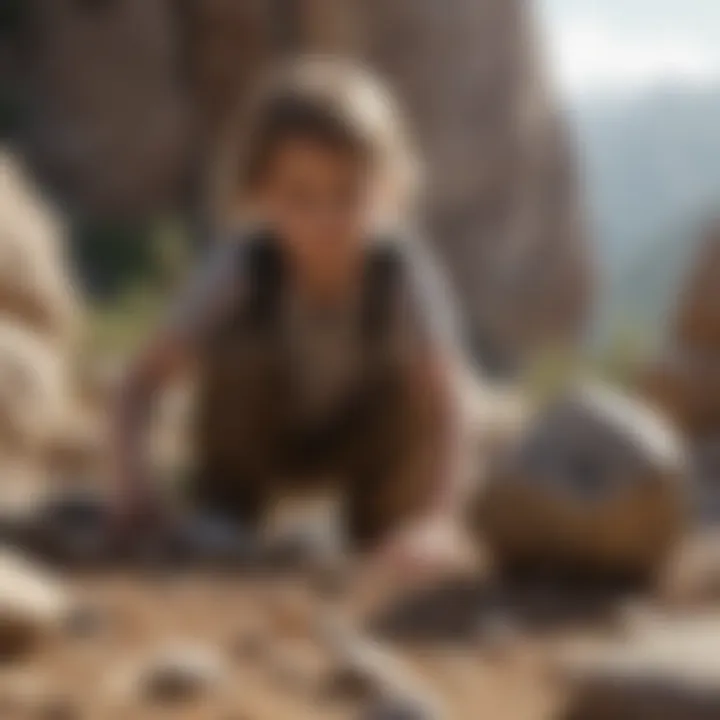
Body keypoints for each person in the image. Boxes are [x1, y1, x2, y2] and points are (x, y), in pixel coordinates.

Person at [112, 58, 472, 573]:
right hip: (258, 444)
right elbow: (139, 384)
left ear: (389, 190)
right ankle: (224, 514)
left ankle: (389, 529)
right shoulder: (243, 265)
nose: (326, 219)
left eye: (347, 195)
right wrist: (135, 489)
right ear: (259, 194)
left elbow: (450, 404)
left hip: (363, 445)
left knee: (417, 389)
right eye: (300, 197)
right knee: (238, 352)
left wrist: (440, 520)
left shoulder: (400, 271)